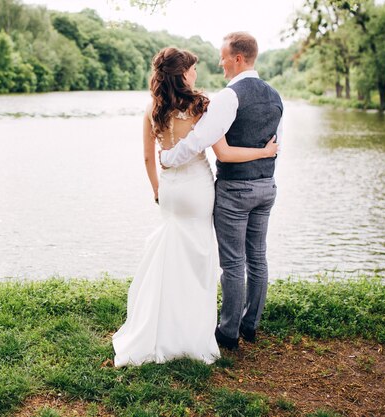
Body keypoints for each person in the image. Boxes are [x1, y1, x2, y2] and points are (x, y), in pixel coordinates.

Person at [112, 46, 278, 367]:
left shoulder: (153, 108)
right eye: (193, 68)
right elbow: (224, 153)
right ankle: (192, 334)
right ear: (184, 73)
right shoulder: (202, 105)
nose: (196, 73)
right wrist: (264, 152)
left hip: (171, 188)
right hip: (198, 189)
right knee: (199, 258)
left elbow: (149, 157)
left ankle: (157, 327)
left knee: (170, 253)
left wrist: (156, 190)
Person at [159, 32, 284, 350]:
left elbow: (201, 140)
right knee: (257, 257)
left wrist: (169, 158)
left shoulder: (230, 97)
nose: (220, 62)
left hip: (235, 191)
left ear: (238, 58)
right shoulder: (275, 97)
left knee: (233, 263)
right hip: (266, 187)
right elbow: (274, 145)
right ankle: (250, 325)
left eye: (224, 56)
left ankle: (228, 333)